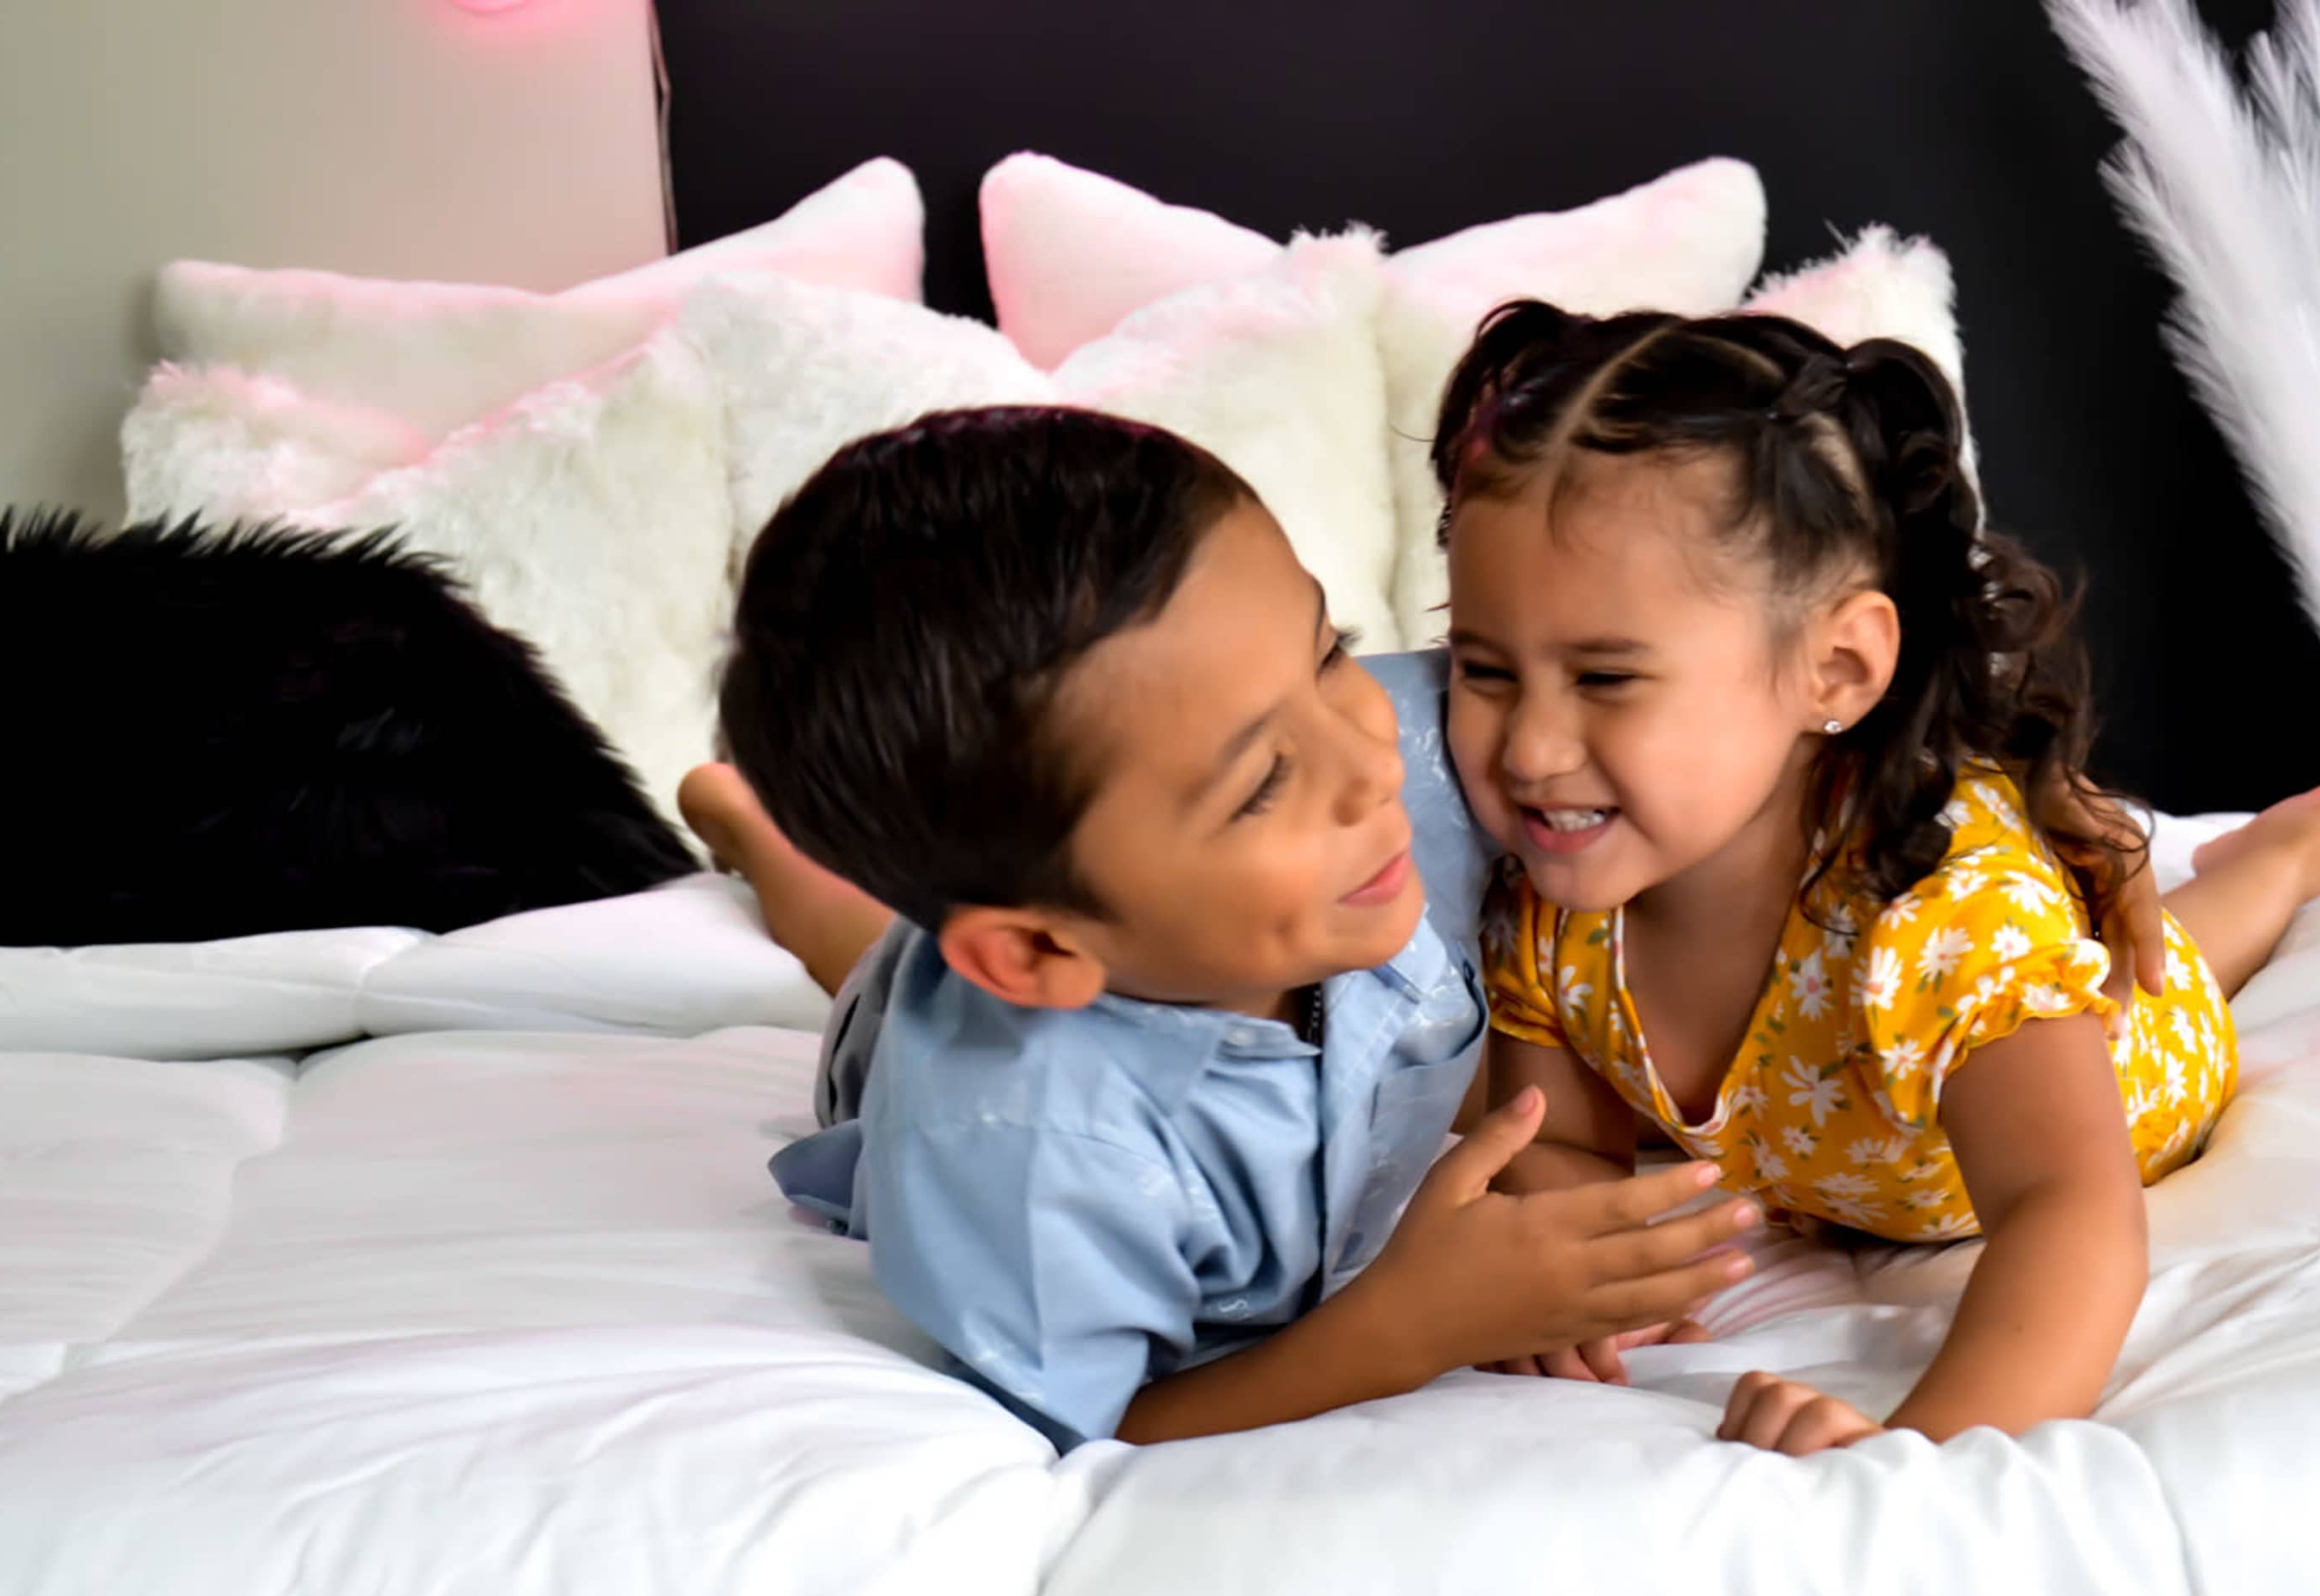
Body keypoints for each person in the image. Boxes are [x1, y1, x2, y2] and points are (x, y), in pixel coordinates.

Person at [687, 405, 1761, 1453]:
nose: (1371, 762)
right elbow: (1105, 1423)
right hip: (940, 1028)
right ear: (1042, 948)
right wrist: (1413, 1324)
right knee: (861, 952)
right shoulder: (1028, 1157)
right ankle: (756, 828)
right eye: (1262, 784)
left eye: (1331, 652)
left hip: (1084, 932)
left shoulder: (1396, 759)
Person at [1431, 303, 2320, 1452]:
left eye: (1606, 678)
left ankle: (2294, 848)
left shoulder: (1948, 921)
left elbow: (2069, 1209)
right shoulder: (1553, 896)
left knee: (2168, 964)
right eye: (1485, 669)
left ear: (1835, 669)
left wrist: (1920, 1449)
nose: (1530, 751)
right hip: (1840, 1149)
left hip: (2119, 1066)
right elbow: (1561, 1146)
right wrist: (1581, 1272)